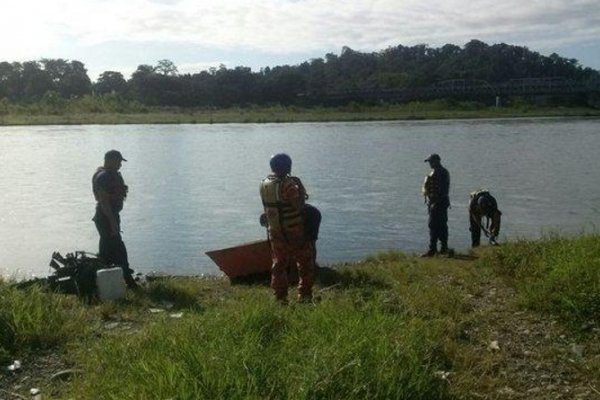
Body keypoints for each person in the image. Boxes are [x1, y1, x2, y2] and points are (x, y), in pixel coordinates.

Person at [260, 153, 315, 303]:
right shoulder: (288, 184)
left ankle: (280, 298)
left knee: (278, 265)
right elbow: (298, 206)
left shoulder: (264, 183)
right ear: (287, 167)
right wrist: (300, 188)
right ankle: (304, 296)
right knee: (305, 263)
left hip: (275, 231)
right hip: (294, 230)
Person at [92, 150, 137, 288]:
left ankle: (106, 282)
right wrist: (113, 224)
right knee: (118, 248)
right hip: (106, 216)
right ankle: (128, 280)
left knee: (107, 249)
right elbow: (104, 203)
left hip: (109, 216)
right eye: (118, 162)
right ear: (110, 160)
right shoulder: (104, 177)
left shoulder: (109, 175)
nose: (120, 165)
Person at [421, 153, 451, 257]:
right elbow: (427, 188)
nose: (430, 164)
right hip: (434, 203)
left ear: (437, 161)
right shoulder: (434, 173)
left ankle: (435, 249)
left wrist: (436, 202)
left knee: (436, 225)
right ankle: (440, 248)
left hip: (440, 203)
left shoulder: (442, 172)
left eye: (431, 161)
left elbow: (443, 190)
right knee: (437, 225)